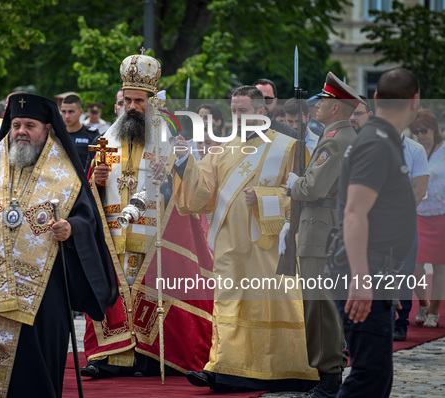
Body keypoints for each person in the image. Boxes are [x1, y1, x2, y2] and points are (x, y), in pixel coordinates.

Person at [0, 93, 116, 397]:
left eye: (30, 125)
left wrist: (71, 229)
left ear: (47, 129)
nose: (21, 131)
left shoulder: (67, 173)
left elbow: (87, 220)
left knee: (31, 373)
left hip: (42, 291)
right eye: (16, 124)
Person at [175, 85, 318, 392]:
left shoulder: (289, 146)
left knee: (273, 301)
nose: (236, 116)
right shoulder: (222, 149)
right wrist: (183, 162)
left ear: (261, 112)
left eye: (243, 111)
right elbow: (202, 193)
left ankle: (284, 366)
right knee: (228, 302)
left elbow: (302, 194)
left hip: (268, 243)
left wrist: (268, 199)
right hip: (230, 243)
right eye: (234, 111)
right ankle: (223, 366)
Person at [82, 52, 213, 379]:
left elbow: (186, 191)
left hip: (156, 231)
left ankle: (150, 359)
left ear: (152, 100)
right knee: (114, 291)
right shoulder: (106, 138)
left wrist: (171, 174)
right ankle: (109, 358)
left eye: (139, 101)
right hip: (113, 233)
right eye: (127, 100)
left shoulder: (168, 139)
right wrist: (95, 183)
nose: (132, 107)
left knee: (151, 295)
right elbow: (91, 189)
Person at [334, 67, 418, 398]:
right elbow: (355, 213)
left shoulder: (380, 139)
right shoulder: (377, 144)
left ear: (376, 99)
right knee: (368, 376)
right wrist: (362, 280)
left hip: (376, 269)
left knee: (377, 377)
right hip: (362, 270)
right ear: (415, 101)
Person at [284, 72, 364, 398]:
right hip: (337, 229)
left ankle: (328, 376)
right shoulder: (351, 137)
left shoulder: (334, 140)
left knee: (319, 308)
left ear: (336, 108)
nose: (317, 105)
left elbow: (313, 186)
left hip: (321, 231)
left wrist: (293, 183)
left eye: (324, 100)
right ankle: (333, 369)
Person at [392, 113, 429, 341]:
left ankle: (402, 321)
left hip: (404, 221)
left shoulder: (415, 150)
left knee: (404, 271)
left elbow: (420, 189)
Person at [412, 109, 445, 328]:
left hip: (441, 216)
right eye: (416, 132)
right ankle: (423, 302)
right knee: (414, 266)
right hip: (417, 214)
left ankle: (435, 308)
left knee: (440, 265)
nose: (421, 136)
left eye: (424, 130)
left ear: (434, 128)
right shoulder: (415, 151)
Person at [60, 94, 99, 171]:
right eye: (64, 112)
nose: (67, 116)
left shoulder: (91, 135)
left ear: (81, 112)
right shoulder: (56, 135)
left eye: (71, 112)